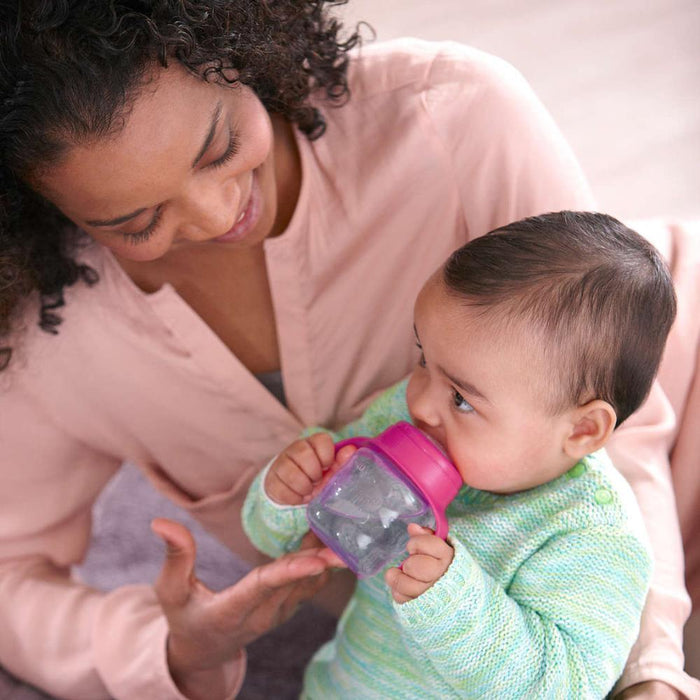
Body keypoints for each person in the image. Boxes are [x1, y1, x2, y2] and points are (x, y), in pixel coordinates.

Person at [0, 1, 697, 698]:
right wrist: (171, 649)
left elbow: (617, 438)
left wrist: (653, 674)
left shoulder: (451, 116)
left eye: (219, 146)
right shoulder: (52, 334)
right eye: (138, 221)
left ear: (236, 48)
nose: (218, 217)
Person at [242, 211, 671, 698]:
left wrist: (451, 600)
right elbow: (283, 542)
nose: (420, 402)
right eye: (424, 360)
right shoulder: (408, 425)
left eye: (462, 398)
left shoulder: (594, 538)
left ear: (582, 430)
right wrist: (290, 493)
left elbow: (565, 687)